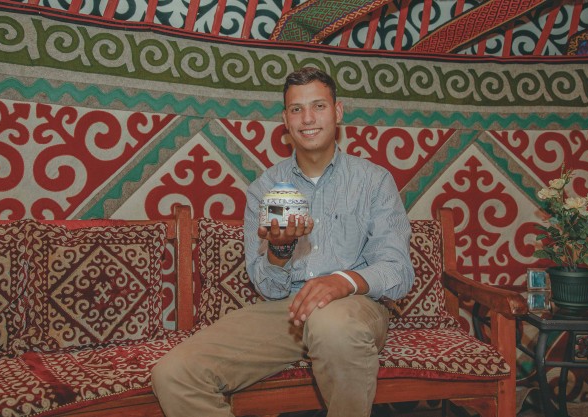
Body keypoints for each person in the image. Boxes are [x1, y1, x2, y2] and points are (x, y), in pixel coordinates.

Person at [151, 67, 415, 417]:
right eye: (296, 109)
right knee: (174, 374)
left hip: (354, 308)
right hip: (288, 311)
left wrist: (342, 281)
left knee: (331, 326)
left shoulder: (374, 181)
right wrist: (280, 250)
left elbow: (398, 272)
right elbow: (269, 288)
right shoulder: (264, 189)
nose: (308, 118)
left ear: (337, 112)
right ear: (285, 120)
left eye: (319, 106)